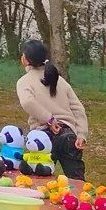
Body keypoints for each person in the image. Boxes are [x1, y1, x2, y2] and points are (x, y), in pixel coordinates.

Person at [16, 38, 89, 179]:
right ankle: (82, 200)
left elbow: (27, 102)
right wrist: (81, 135)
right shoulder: (60, 80)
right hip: (69, 136)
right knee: (77, 181)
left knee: (38, 178)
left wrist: (48, 119)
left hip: (43, 138)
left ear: (26, 60)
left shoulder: (24, 81)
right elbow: (78, 108)